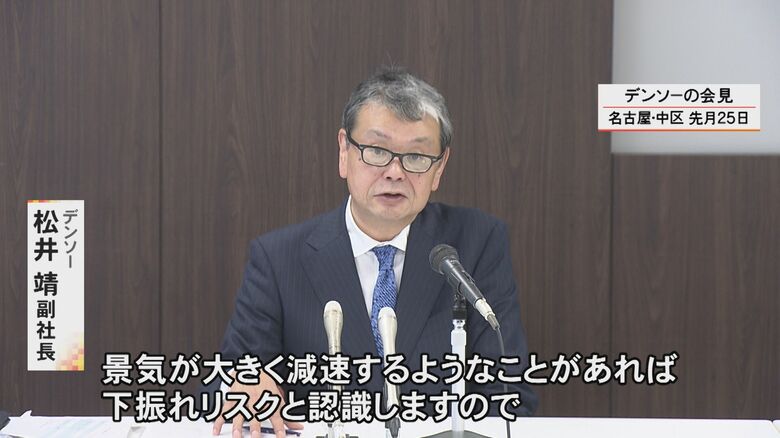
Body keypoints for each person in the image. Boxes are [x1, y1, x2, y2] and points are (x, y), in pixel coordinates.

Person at [213, 66, 538, 438]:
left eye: (416, 156)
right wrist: (243, 389)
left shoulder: (476, 244)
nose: (395, 172)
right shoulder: (278, 259)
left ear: (439, 168)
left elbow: (509, 394)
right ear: (344, 151)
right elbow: (226, 388)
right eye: (377, 151)